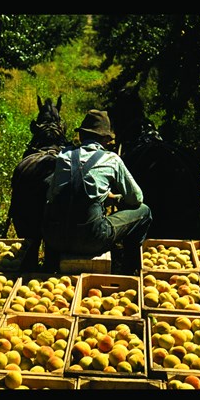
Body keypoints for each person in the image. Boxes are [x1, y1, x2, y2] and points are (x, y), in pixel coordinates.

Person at [41, 109, 152, 275]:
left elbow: (51, 196)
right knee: (144, 211)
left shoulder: (63, 156)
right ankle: (129, 269)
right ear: (106, 139)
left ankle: (49, 265)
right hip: (91, 240)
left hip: (55, 238)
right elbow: (136, 198)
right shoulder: (111, 159)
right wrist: (115, 198)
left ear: (81, 136)